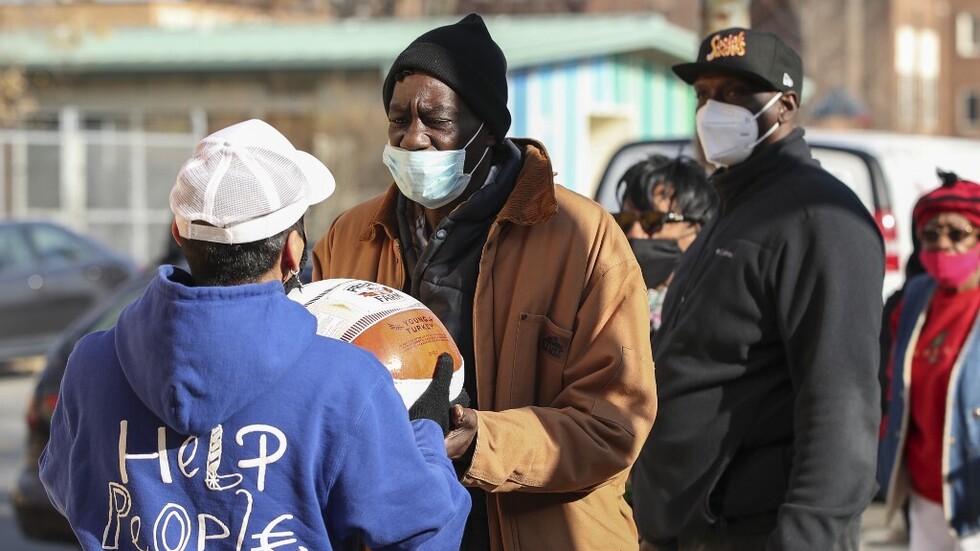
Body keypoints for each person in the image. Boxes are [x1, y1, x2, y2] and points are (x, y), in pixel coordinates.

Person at [311, 13, 658, 551]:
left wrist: (482, 442)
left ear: (486, 130)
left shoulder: (583, 241)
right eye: (398, 119)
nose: (413, 139)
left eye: (436, 120)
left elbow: (615, 423)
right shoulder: (351, 236)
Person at [39, 119, 470, 550]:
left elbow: (67, 489)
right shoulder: (346, 384)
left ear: (178, 233)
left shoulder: (90, 367)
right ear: (293, 251)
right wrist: (424, 433)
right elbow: (424, 532)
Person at [630, 27, 885, 550]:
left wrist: (808, 537)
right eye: (703, 95)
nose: (712, 110)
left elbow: (840, 402)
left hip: (755, 531)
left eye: (732, 93)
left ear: (785, 105)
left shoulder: (817, 217)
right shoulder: (733, 207)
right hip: (687, 531)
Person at [877, 171, 980, 551]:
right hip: (923, 492)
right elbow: (892, 387)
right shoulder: (913, 300)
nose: (943, 245)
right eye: (931, 235)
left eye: (958, 233)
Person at [612, 154, 716, 334]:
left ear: (698, 229)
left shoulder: (713, 311)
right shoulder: (603, 308)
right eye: (625, 221)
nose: (634, 234)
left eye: (652, 220)